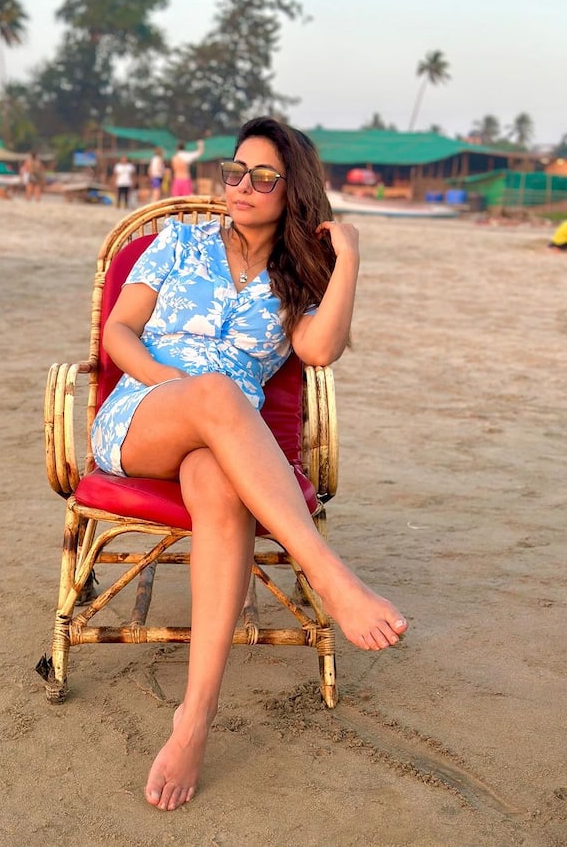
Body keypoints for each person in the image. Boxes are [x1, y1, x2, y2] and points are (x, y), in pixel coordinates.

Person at [90, 116, 408, 812]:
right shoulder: (177, 240)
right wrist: (168, 386)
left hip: (226, 440)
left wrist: (349, 258)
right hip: (146, 414)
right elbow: (118, 329)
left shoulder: (299, 275)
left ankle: (194, 720)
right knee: (214, 393)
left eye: (262, 178)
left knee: (220, 489)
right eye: (233, 172)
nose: (241, 187)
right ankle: (330, 577)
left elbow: (319, 352)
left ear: (291, 189)